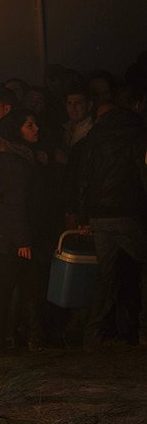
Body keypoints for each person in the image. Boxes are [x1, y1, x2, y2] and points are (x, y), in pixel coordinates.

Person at [72, 99, 147, 348]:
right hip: (128, 212)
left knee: (106, 275)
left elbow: (83, 179)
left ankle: (93, 334)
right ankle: (144, 330)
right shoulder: (137, 135)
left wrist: (84, 216)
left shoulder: (93, 138)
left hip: (99, 215)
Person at [0, 112, 44, 351]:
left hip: (6, 233)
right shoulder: (13, 162)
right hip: (10, 236)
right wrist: (22, 240)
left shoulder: (13, 158)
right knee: (6, 287)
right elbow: (14, 202)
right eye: (30, 125)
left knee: (8, 287)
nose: (36, 128)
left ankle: (3, 338)